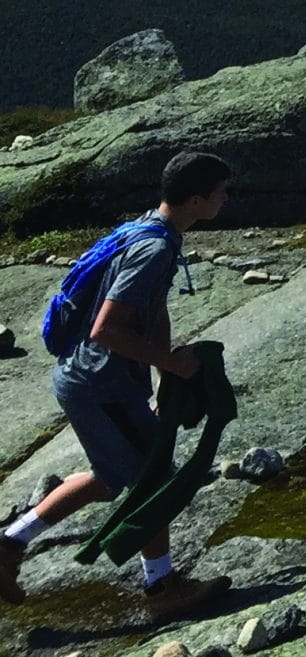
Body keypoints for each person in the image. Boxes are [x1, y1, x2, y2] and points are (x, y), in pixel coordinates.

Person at [0, 152, 235, 625]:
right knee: (154, 477)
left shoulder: (153, 230)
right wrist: (175, 364)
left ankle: (9, 544)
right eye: (222, 191)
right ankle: (162, 587)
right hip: (98, 384)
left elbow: (152, 311)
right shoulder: (153, 248)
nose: (227, 199)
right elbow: (106, 329)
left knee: (110, 478)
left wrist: (158, 380)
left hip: (97, 381)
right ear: (196, 199)